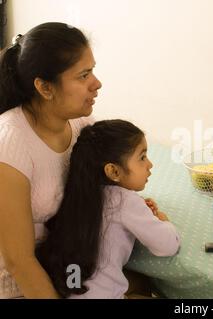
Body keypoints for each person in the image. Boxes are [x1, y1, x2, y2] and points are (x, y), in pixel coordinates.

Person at [0, 22, 102, 299]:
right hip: (19, 284)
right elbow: (19, 262)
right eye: (83, 76)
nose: (97, 83)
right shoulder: (10, 145)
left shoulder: (82, 123)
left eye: (92, 70)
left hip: (65, 268)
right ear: (45, 88)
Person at [36, 120, 180, 299]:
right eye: (142, 157)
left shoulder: (80, 196)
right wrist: (164, 221)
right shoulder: (125, 201)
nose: (150, 164)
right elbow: (167, 245)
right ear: (113, 172)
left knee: (140, 282)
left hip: (70, 291)